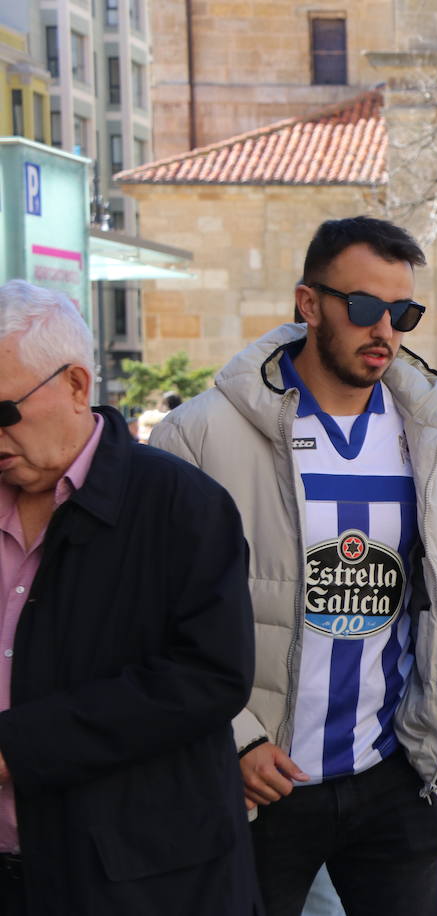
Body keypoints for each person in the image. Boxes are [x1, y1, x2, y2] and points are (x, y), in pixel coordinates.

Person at [151, 216, 437, 916]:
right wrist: (237, 739)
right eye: (365, 307)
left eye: (402, 313)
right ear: (308, 304)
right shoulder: (198, 435)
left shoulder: (433, 433)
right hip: (260, 784)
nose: (385, 330)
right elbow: (149, 608)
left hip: (392, 774)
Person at [0, 280, 259, 914]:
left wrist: (19, 748)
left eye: (3, 413)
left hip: (132, 879)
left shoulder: (181, 505)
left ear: (76, 385)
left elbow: (209, 676)